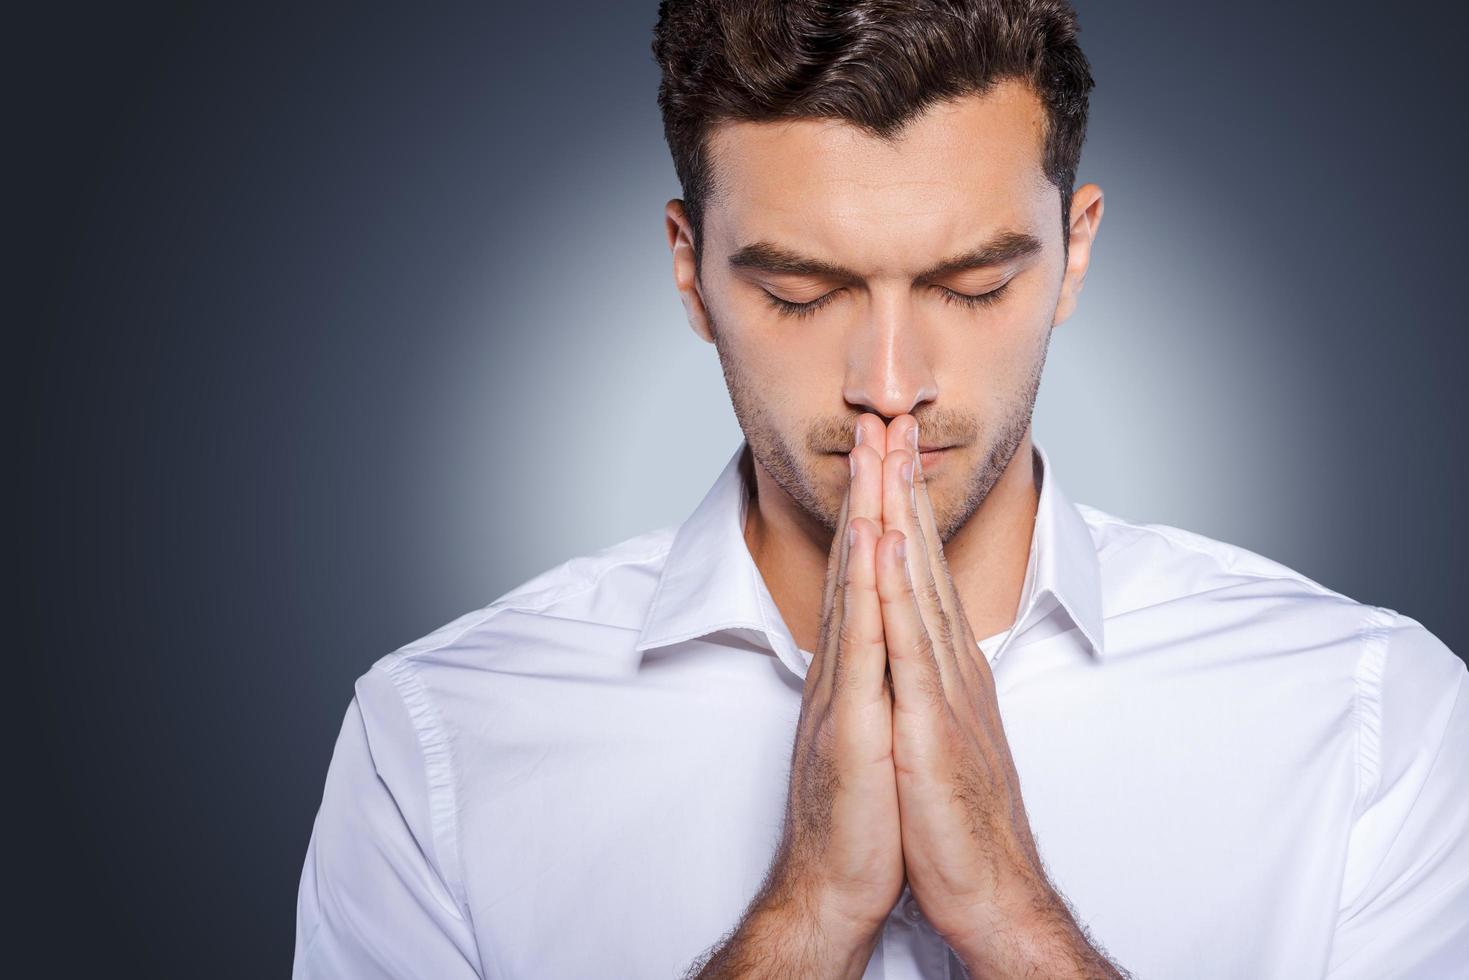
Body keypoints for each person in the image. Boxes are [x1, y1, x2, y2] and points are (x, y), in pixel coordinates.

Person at [292, 1, 1469, 977]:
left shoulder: (1373, 721)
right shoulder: (435, 745)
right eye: (800, 295)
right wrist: (804, 916)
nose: (890, 385)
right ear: (688, 273)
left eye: (970, 285)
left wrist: (1009, 915)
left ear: (1076, 253)